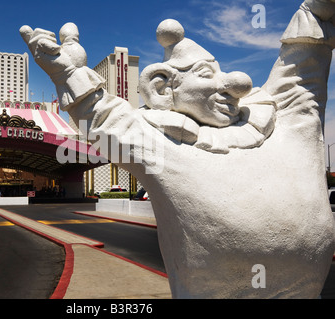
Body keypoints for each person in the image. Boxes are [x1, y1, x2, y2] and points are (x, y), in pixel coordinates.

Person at [20, 0, 335, 298]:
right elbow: (102, 124)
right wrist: (69, 76)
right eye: (204, 74)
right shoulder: (161, 142)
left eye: (222, 72)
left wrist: (315, 13)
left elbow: (302, 66)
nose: (236, 84)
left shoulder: (281, 114)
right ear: (161, 87)